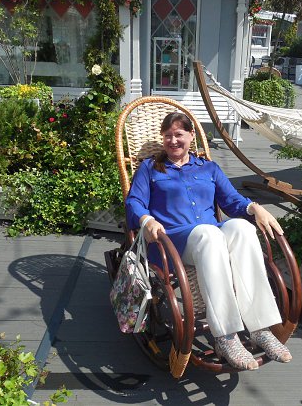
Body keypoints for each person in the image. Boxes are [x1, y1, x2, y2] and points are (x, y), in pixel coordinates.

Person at [125, 112, 292, 371]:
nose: (173, 141)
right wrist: (147, 220)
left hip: (209, 238)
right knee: (209, 234)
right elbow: (134, 202)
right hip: (172, 242)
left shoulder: (208, 168)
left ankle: (260, 327)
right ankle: (225, 336)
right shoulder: (150, 168)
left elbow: (232, 201)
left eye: (179, 134)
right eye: (167, 135)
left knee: (242, 228)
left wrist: (254, 208)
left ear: (192, 135)